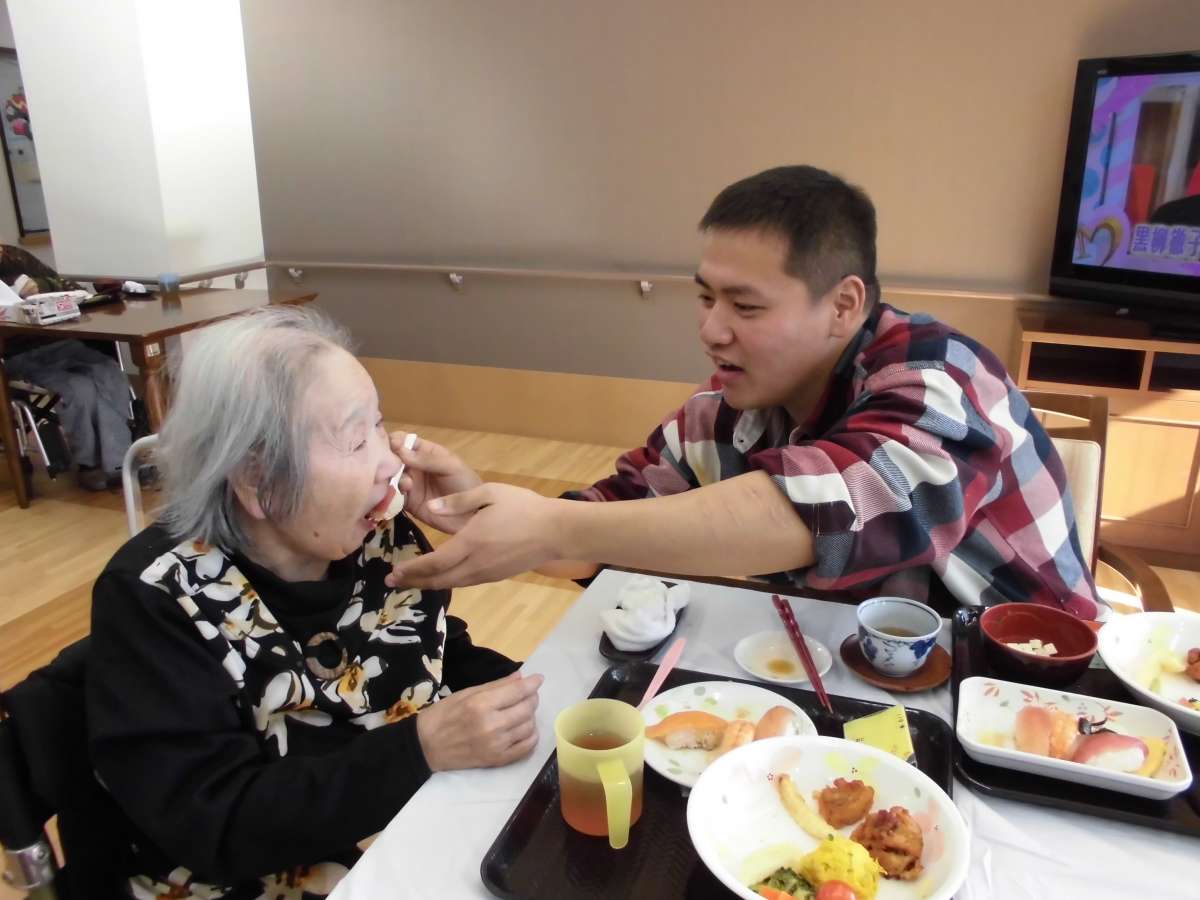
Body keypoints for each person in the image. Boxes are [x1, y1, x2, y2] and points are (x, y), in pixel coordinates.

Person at [387, 165, 1100, 620]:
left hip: (1031, 693)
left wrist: (554, 526)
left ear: (844, 305)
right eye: (705, 298)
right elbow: (601, 531)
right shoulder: (725, 413)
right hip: (862, 685)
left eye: (746, 306)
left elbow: (827, 508)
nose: (711, 330)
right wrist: (486, 510)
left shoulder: (939, 378)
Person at [86, 306, 542, 898]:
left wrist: (542, 692)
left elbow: (428, 648)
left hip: (379, 839)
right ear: (258, 480)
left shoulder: (370, 536)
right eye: (355, 440)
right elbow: (215, 824)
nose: (390, 462)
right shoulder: (157, 599)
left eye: (379, 424)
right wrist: (421, 748)